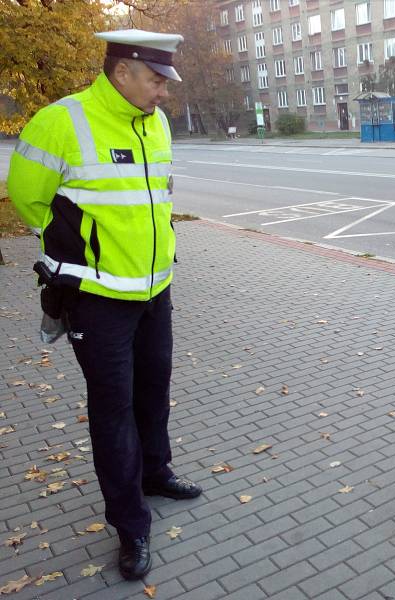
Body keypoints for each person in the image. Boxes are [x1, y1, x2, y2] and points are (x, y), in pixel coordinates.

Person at [8, 29, 201, 581]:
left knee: (153, 387)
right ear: (123, 72)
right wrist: (72, 249)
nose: (164, 91)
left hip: (154, 291)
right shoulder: (61, 121)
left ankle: (155, 472)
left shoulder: (156, 124)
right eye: (157, 79)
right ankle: (130, 524)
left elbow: (154, 201)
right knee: (113, 407)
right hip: (97, 299)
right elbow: (28, 195)